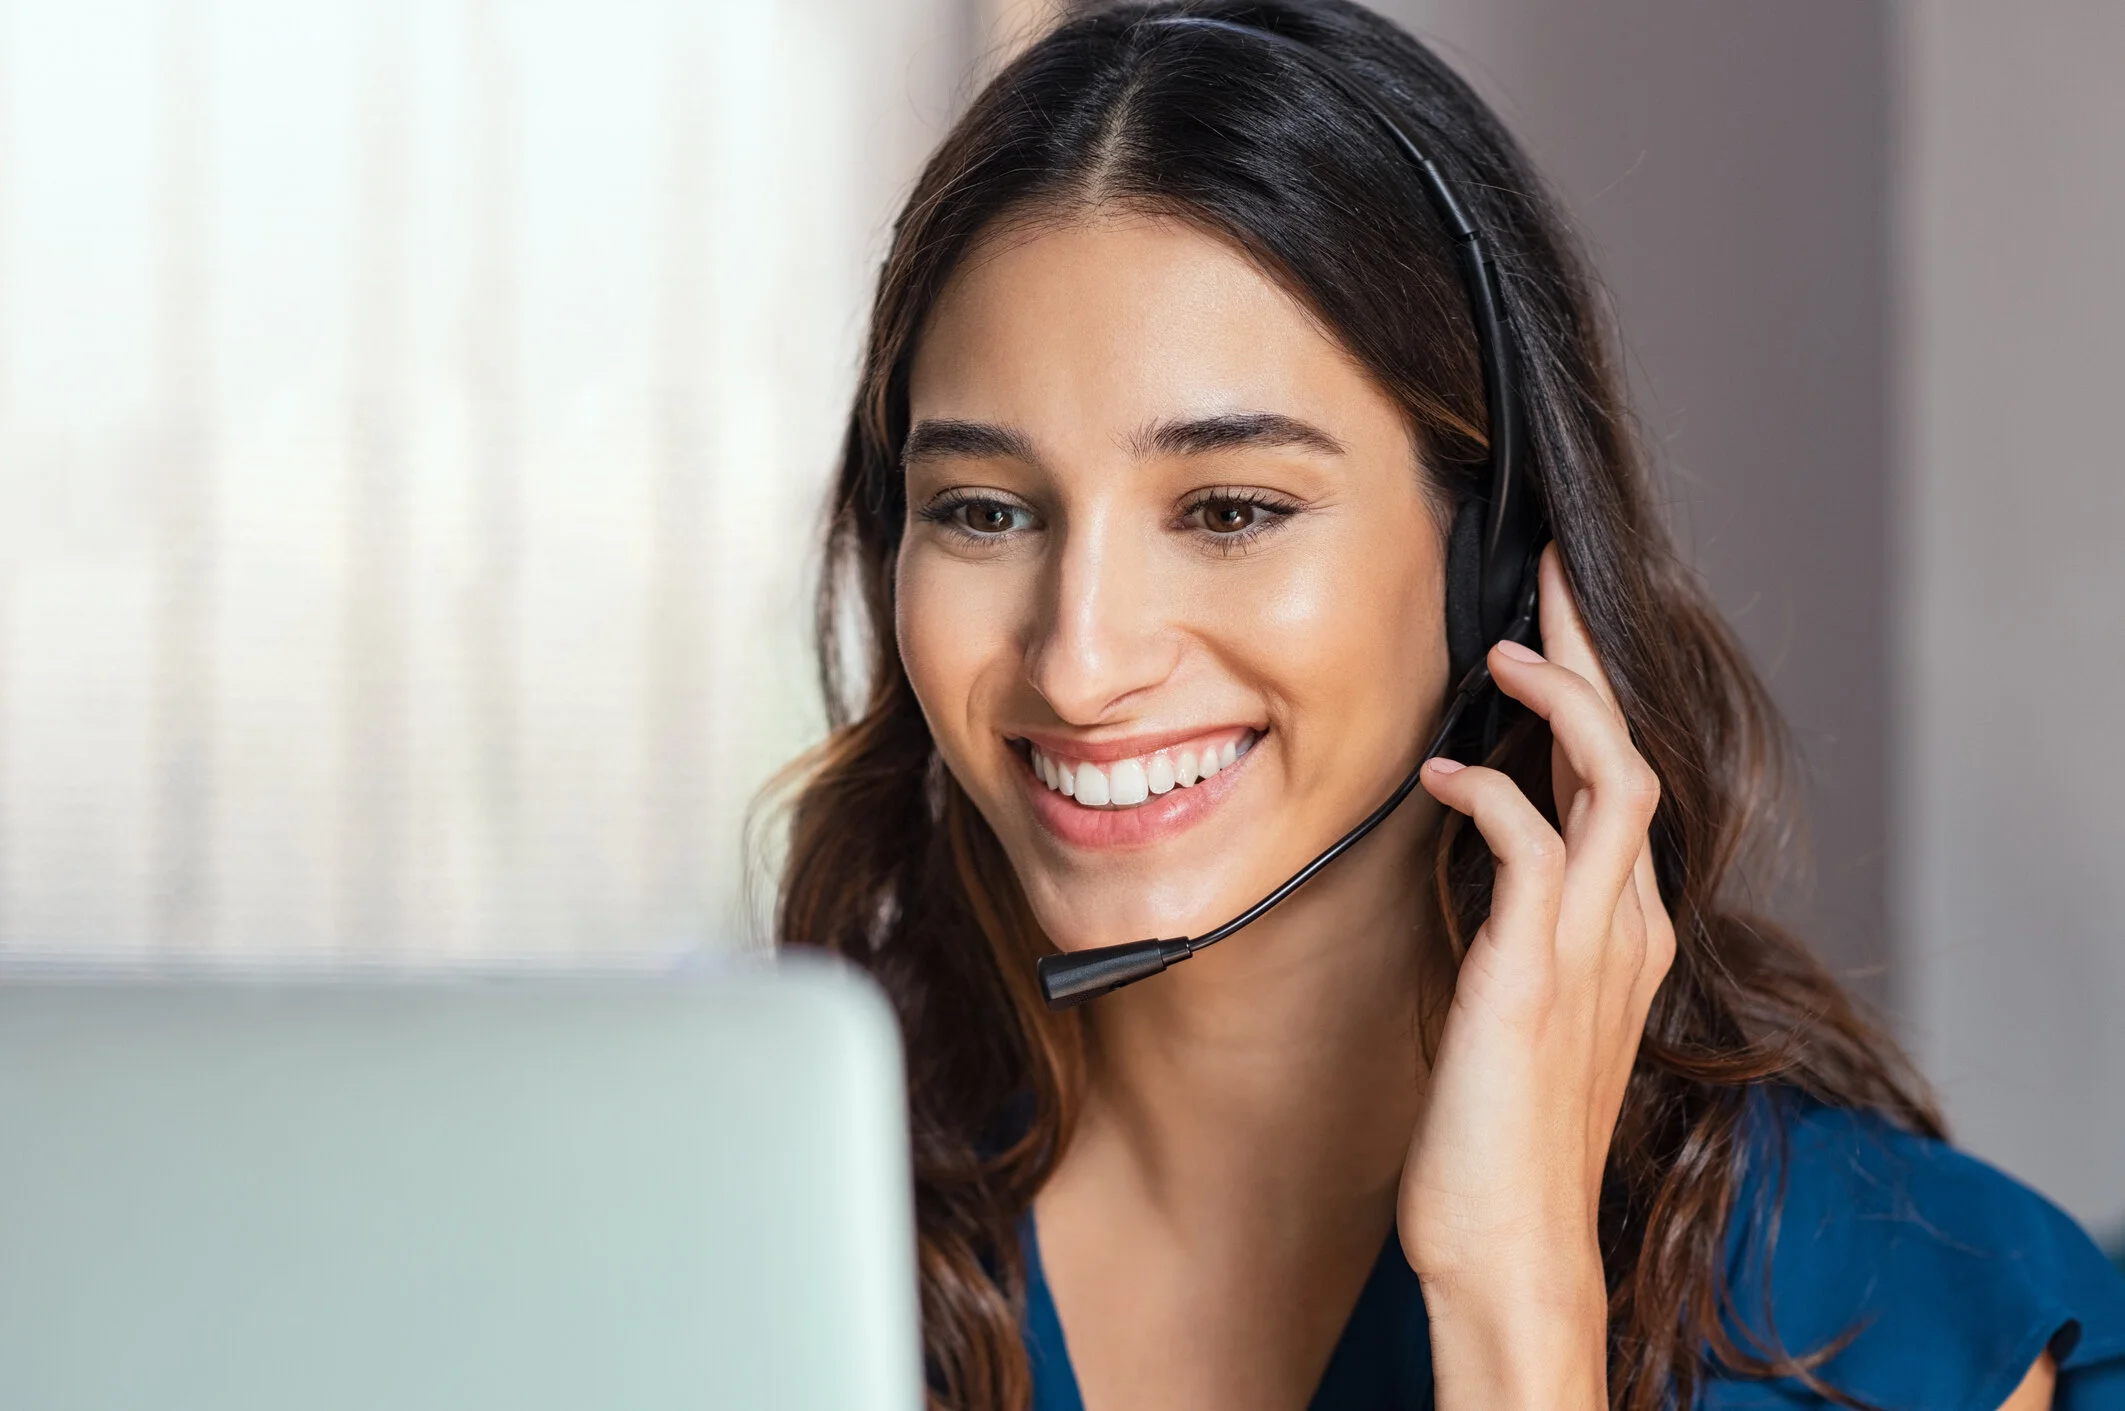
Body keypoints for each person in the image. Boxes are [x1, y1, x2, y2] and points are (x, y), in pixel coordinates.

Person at [775, 2, 2125, 1407]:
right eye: (985, 509)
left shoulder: (1897, 1327)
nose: (1077, 660)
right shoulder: (769, 1231)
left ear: (1491, 563)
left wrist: (1516, 1301)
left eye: (1232, 508)